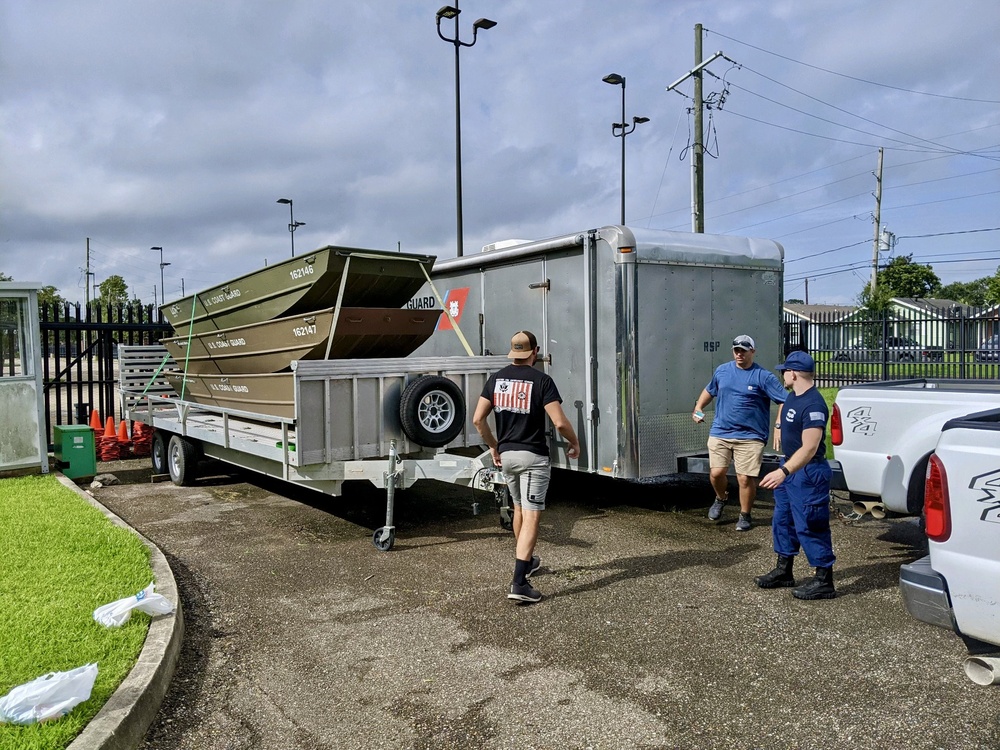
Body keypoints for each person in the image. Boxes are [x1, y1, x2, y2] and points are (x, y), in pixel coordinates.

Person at [473, 330, 581, 604]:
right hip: (533, 458)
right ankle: (520, 582)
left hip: (507, 457)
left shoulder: (496, 380)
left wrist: (494, 446)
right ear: (535, 352)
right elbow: (559, 422)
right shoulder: (542, 381)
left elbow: (477, 419)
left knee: (519, 509)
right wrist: (574, 441)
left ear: (513, 352)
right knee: (532, 515)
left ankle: (528, 560)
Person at [756, 350, 836, 600]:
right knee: (783, 520)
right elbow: (785, 413)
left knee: (810, 524)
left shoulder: (813, 404)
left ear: (793, 373)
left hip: (807, 472)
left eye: (785, 371)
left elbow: (810, 447)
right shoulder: (794, 396)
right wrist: (779, 426)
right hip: (790, 468)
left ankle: (824, 580)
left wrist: (784, 471)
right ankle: (784, 570)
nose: (783, 375)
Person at [692, 334, 786, 532]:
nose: (739, 353)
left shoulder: (763, 376)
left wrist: (779, 425)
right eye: (736, 350)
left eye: (743, 350)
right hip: (721, 431)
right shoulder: (722, 371)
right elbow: (709, 390)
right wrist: (698, 407)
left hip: (751, 437)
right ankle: (721, 498)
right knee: (716, 473)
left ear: (752, 351)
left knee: (744, 478)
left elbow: (784, 400)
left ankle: (745, 515)